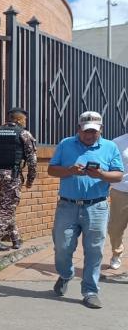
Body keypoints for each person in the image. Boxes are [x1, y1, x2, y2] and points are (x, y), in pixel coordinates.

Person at [48, 111, 123, 309]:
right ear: (78, 129)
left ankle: (90, 291)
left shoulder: (110, 147)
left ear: (101, 130)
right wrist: (70, 170)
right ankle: (66, 274)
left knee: (94, 250)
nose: (90, 135)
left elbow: (118, 175)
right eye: (86, 131)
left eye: (94, 132)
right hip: (67, 206)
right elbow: (51, 169)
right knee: (62, 247)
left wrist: (101, 175)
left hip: (97, 207)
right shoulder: (65, 144)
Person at [0, 108, 37, 251]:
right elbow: (32, 161)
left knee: (6, 206)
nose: (25, 122)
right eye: (24, 119)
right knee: (6, 209)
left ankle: (15, 239)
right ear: (19, 120)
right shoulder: (23, 134)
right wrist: (30, 180)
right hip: (12, 176)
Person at [107, 130, 128, 270]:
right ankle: (116, 253)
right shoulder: (117, 142)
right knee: (115, 228)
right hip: (121, 190)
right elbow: (109, 165)